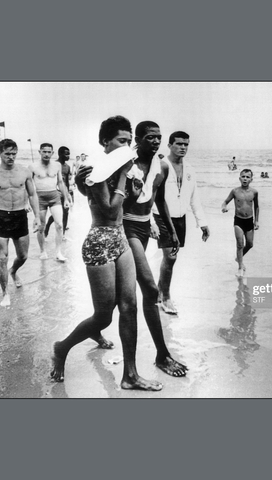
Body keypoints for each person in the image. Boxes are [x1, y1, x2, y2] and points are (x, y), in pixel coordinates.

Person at [50, 115, 162, 390]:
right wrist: (125, 174)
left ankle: (130, 375)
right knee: (103, 316)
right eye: (121, 141)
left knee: (130, 306)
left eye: (128, 141)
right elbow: (111, 209)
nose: (127, 147)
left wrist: (134, 184)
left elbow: (129, 203)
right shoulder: (94, 170)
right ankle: (61, 348)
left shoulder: (122, 168)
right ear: (105, 142)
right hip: (99, 242)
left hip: (120, 238)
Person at [76, 120, 188, 377]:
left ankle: (98, 330)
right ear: (138, 140)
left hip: (144, 227)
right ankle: (162, 355)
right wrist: (80, 182)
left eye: (159, 137)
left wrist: (168, 228)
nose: (156, 141)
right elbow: (98, 196)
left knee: (121, 300)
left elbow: (158, 200)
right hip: (125, 230)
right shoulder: (125, 163)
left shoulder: (161, 166)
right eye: (150, 137)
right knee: (149, 289)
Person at [151, 131, 210, 314]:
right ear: (169, 145)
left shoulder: (190, 169)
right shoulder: (160, 166)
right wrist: (150, 221)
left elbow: (194, 199)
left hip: (180, 218)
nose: (183, 147)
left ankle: (159, 293)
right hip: (160, 216)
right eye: (179, 144)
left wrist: (202, 223)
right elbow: (150, 195)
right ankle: (166, 298)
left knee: (170, 259)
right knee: (170, 257)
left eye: (186, 144)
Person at [0, 139, 42, 307]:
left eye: (14, 153)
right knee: (2, 258)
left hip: (20, 217)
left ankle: (13, 271)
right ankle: (5, 292)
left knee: (23, 256)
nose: (11, 157)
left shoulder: (24, 172)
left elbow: (32, 195)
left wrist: (37, 217)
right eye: (7, 153)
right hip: (1, 217)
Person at [29, 143, 70, 261]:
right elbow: (29, 187)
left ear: (52, 153)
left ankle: (58, 252)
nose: (46, 154)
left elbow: (60, 183)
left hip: (54, 196)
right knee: (41, 227)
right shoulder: (32, 167)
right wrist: (27, 203)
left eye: (49, 152)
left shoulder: (57, 165)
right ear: (39, 152)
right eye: (44, 151)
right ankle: (42, 251)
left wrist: (66, 198)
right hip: (39, 198)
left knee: (60, 225)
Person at [221, 169, 259, 277]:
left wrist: (256, 221)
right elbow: (225, 202)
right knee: (240, 244)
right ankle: (240, 268)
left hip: (249, 221)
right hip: (238, 221)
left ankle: (238, 258)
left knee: (250, 244)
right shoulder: (235, 191)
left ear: (251, 179)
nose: (245, 179)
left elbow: (256, 207)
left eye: (247, 177)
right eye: (243, 176)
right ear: (239, 178)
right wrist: (224, 207)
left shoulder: (254, 192)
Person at [44, 146, 73, 239]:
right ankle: (47, 226)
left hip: (64, 193)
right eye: (66, 153)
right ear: (60, 154)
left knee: (66, 213)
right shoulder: (54, 165)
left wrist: (67, 195)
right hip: (55, 193)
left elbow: (67, 182)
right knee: (56, 214)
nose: (68, 156)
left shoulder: (67, 167)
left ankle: (63, 234)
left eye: (69, 154)